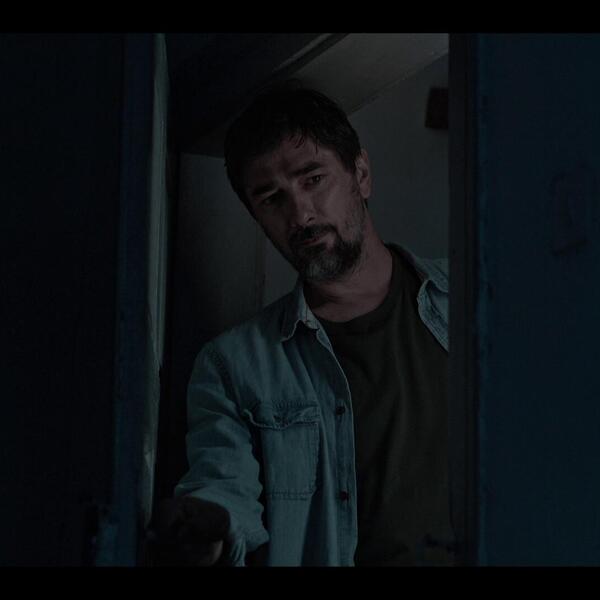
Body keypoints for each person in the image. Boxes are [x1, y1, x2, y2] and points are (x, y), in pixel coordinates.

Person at [156, 84, 454, 566]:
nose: (300, 214)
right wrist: (207, 529)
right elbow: (223, 493)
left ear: (361, 174)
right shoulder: (234, 366)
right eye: (271, 198)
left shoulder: (476, 301)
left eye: (313, 179)